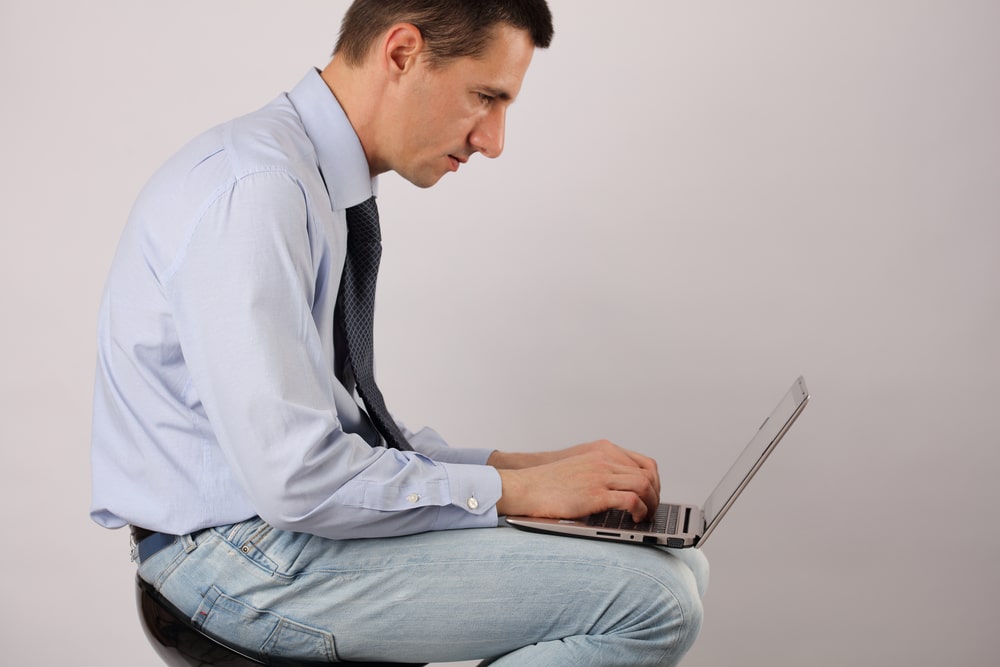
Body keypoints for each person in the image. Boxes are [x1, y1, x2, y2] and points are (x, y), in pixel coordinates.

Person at [90, 1, 708, 664]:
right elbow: (298, 478)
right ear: (402, 52)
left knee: (683, 570)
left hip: (263, 534)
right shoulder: (259, 190)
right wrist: (518, 494)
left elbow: (332, 440)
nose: (494, 139)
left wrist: (523, 468)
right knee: (657, 601)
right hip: (232, 558)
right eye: (486, 97)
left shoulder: (304, 176)